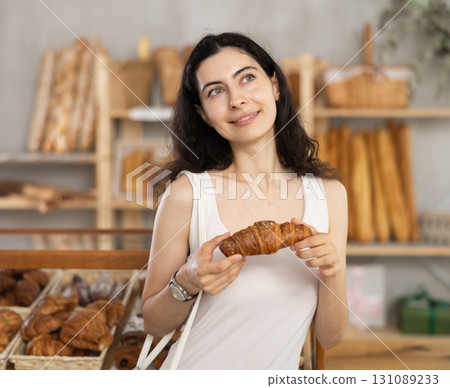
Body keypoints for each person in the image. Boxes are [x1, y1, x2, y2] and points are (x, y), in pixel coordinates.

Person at [141, 32, 348, 370]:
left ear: (275, 86)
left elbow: (330, 336)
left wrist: (333, 272)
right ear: (204, 113)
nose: (236, 100)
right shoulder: (187, 194)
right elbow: (153, 322)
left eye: (247, 78)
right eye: (216, 91)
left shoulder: (330, 196)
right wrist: (188, 281)